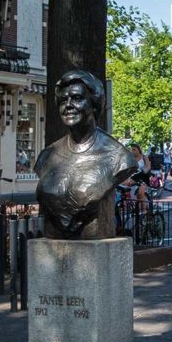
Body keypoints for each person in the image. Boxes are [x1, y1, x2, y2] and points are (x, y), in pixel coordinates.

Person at [34, 70, 139, 239]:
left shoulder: (119, 157)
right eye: (63, 100)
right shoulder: (47, 155)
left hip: (93, 242)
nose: (68, 105)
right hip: (53, 240)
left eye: (77, 98)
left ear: (94, 104)